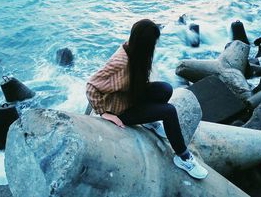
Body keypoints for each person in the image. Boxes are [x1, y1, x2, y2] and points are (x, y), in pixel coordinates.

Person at [86, 19, 208, 179]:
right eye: (153, 42)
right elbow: (91, 85)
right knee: (169, 111)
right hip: (121, 110)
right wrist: (104, 113)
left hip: (131, 96)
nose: (155, 45)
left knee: (166, 89)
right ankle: (183, 157)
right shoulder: (120, 62)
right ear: (144, 43)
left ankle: (149, 121)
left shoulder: (134, 48)